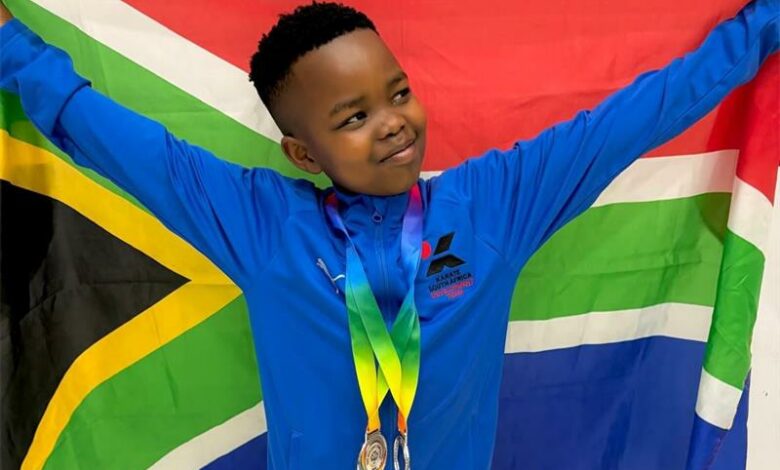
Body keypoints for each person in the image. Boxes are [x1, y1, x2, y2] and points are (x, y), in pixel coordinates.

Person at [1, 1, 777, 469]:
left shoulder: (495, 205)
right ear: (304, 154)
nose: (393, 123)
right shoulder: (260, 224)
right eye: (354, 117)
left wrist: (762, 27)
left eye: (398, 92)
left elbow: (637, 115)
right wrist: (10, 44)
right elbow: (103, 132)